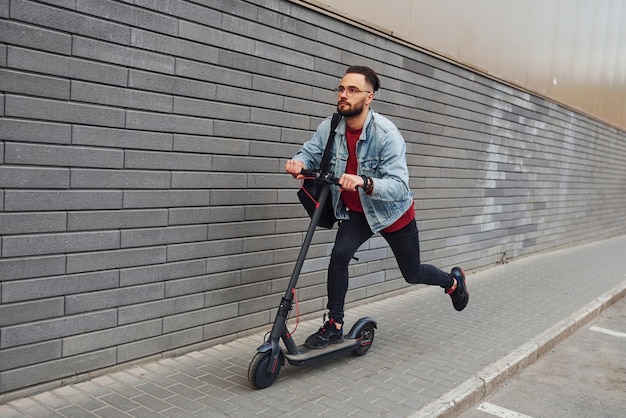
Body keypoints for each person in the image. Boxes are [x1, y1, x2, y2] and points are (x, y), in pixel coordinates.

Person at [285, 65, 468, 349]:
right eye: (341, 88)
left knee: (412, 272)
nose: (343, 95)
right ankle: (334, 325)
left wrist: (364, 181)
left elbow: (399, 186)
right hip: (356, 213)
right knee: (339, 257)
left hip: (392, 214)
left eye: (353, 90)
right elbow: (310, 151)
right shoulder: (331, 126)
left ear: (369, 98)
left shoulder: (386, 134)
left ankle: (453, 283)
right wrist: (298, 161)